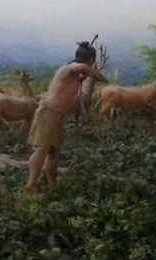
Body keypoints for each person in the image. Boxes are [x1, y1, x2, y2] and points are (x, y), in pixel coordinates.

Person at [25, 41, 106, 194]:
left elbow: (81, 72)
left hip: (57, 116)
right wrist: (95, 73)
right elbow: (81, 67)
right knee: (42, 149)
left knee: (53, 152)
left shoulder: (73, 74)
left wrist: (86, 76)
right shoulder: (70, 68)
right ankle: (31, 185)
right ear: (89, 60)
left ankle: (53, 185)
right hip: (49, 112)